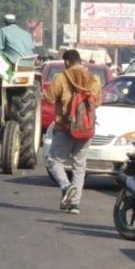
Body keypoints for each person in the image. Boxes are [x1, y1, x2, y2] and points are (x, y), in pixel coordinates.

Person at [44, 49, 102, 215]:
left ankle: (66, 186)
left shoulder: (62, 77)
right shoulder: (93, 78)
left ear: (67, 62)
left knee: (53, 161)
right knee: (79, 166)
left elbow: (50, 98)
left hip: (65, 127)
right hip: (86, 128)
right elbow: (97, 102)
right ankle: (74, 204)